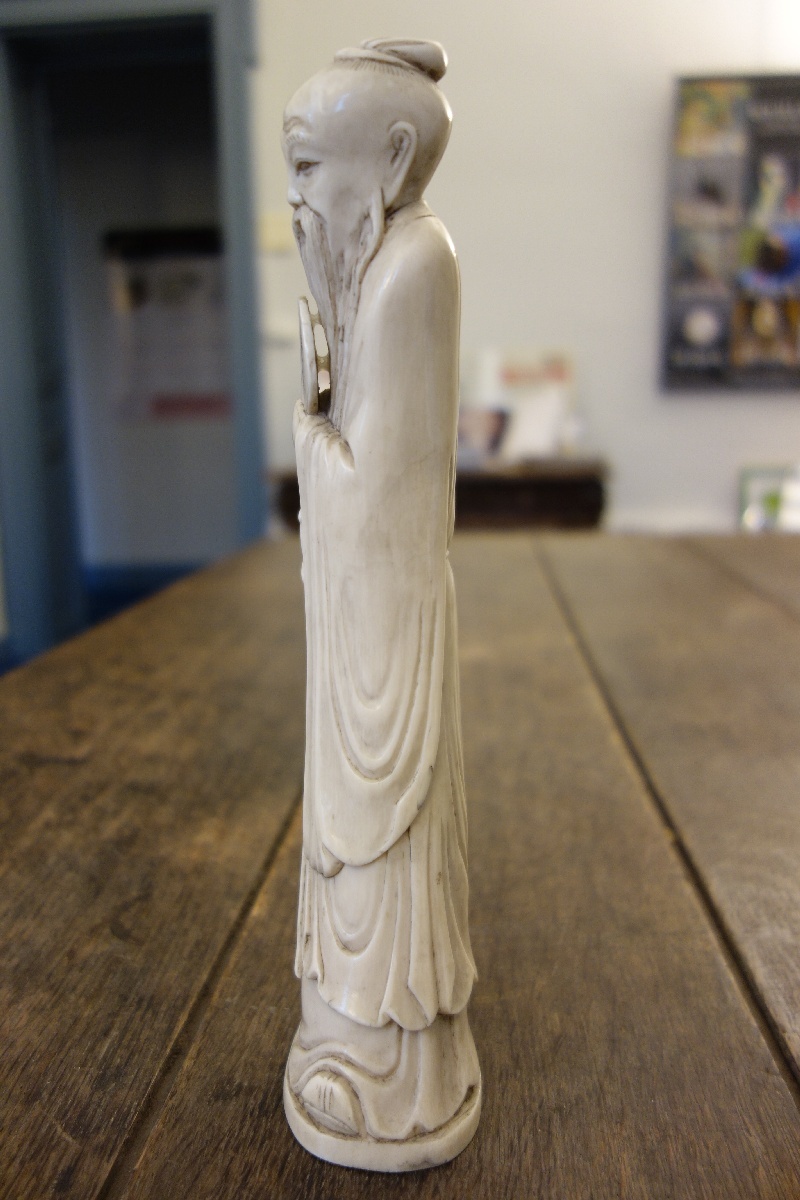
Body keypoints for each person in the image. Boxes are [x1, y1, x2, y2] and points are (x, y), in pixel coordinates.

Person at [282, 39, 480, 1169]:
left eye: (309, 168)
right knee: (350, 843)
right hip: (367, 614)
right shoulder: (373, 273)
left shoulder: (413, 266)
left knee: (384, 833)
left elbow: (380, 494)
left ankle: (391, 1071)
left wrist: (307, 433)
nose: (297, 199)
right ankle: (354, 1046)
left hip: (387, 627)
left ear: (393, 157)